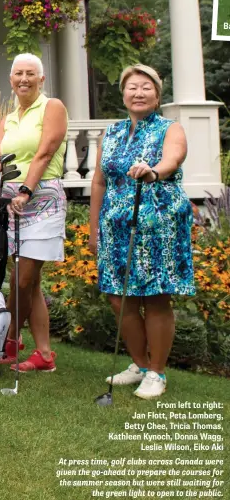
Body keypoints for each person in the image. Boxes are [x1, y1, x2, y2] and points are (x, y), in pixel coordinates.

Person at [89, 64, 194, 400]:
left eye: (146, 87)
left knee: (155, 296)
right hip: (115, 227)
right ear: (123, 94)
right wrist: (94, 229)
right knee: (119, 298)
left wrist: (153, 172)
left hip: (158, 227)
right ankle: (139, 364)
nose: (138, 92)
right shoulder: (112, 132)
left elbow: (173, 159)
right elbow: (99, 181)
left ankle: (157, 373)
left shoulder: (170, 128)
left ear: (157, 94)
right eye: (132, 87)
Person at [0, 53, 67, 373]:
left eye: (30, 74)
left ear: (41, 79)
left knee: (23, 279)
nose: (24, 79)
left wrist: (26, 190)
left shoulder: (53, 107)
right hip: (11, 204)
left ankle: (10, 338)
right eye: (18, 74)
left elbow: (45, 152)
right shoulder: (8, 119)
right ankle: (44, 355)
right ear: (11, 80)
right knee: (28, 282)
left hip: (42, 199)